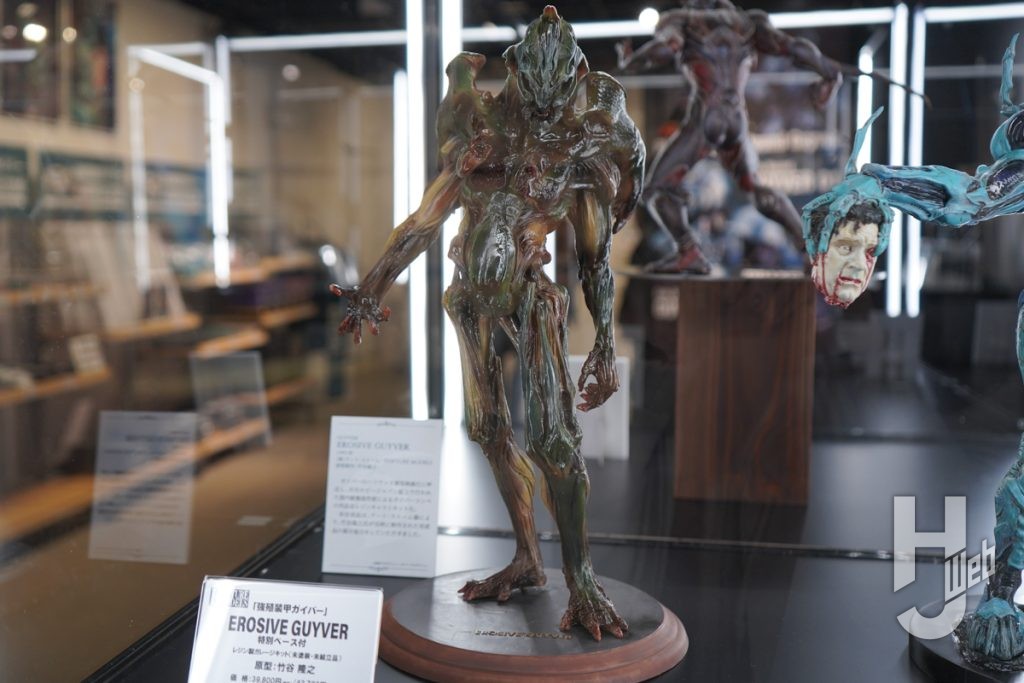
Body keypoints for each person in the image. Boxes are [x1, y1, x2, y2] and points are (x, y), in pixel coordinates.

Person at [330, 6, 644, 640]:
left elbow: (594, 258)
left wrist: (605, 344)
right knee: (488, 428)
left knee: (554, 440)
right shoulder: (480, 138)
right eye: (536, 96)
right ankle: (528, 557)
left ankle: (581, 579)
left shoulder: (580, 156)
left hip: (531, 297)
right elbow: (423, 223)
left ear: (578, 77)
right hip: (470, 296)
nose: (546, 115)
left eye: (558, 100)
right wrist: (370, 288)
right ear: (516, 72)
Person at [617, 0, 842, 272]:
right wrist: (828, 72)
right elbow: (793, 47)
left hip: (706, 118)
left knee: (656, 189)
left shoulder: (683, 20)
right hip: (736, 119)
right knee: (754, 188)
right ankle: (807, 247)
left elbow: (665, 48)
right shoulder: (749, 22)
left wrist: (630, 61)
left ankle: (688, 251)